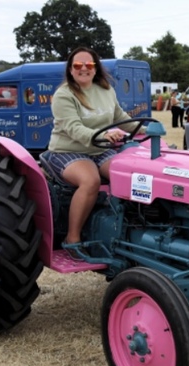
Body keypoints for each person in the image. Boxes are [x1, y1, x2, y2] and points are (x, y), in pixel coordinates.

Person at [46, 46, 141, 260]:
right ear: (70, 70)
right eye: (78, 65)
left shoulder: (106, 90)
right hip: (68, 150)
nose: (84, 69)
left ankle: (126, 229)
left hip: (99, 150)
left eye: (88, 65)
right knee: (90, 180)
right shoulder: (64, 95)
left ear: (96, 68)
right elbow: (74, 128)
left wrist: (145, 129)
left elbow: (120, 116)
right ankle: (72, 239)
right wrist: (104, 135)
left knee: (129, 174)